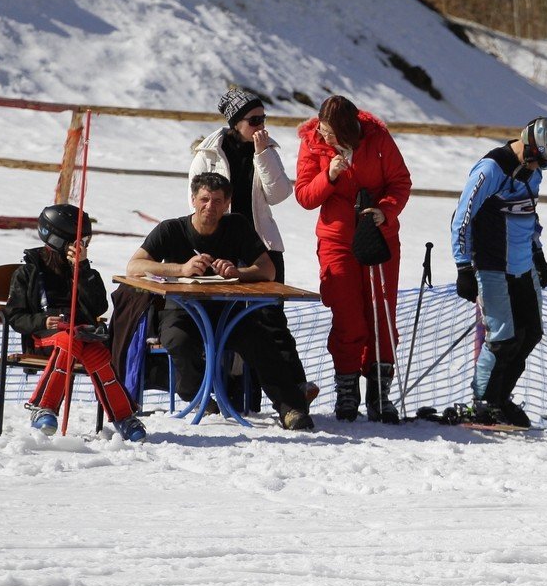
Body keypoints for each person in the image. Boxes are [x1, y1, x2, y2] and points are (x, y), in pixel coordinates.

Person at [126, 172, 313, 430]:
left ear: (227, 203)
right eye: (204, 199)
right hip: (183, 312)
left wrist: (239, 273)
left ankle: (290, 408)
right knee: (179, 341)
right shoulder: (171, 229)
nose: (209, 206)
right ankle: (195, 395)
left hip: (229, 311)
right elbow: (134, 266)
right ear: (192, 199)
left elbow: (267, 269)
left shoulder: (237, 226)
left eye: (217, 201)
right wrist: (181, 269)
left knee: (261, 341)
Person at [189, 86, 317, 408]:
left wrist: (263, 155)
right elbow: (197, 205)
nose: (261, 126)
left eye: (264, 118)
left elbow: (278, 195)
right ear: (235, 122)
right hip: (224, 247)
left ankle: (295, 388)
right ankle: (239, 394)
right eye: (253, 120)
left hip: (263, 246)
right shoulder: (207, 155)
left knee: (271, 318)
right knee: (228, 320)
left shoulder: (267, 149)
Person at [294, 95, 412, 423]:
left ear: (350, 130)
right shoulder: (313, 144)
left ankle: (379, 390)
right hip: (337, 240)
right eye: (323, 130)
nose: (325, 137)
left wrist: (384, 211)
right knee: (347, 316)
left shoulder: (377, 139)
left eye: (332, 133)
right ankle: (347, 389)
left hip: (378, 238)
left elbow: (400, 182)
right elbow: (304, 196)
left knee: (381, 312)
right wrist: (328, 176)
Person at [451, 116, 547, 427]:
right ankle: (482, 402)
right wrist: (463, 266)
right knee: (503, 338)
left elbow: (530, 215)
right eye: (540, 163)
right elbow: (461, 217)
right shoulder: (492, 169)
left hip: (523, 264)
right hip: (491, 265)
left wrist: (539, 254)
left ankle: (501, 398)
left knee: (530, 334)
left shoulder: (532, 174)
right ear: (530, 148)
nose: (539, 171)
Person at [3, 204, 146, 441]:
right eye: (75, 242)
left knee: (98, 354)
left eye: (84, 242)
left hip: (80, 335)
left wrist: (82, 268)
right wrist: (43, 320)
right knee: (68, 342)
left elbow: (99, 306)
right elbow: (15, 316)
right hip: (44, 338)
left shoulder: (82, 270)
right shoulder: (28, 272)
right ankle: (43, 407)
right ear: (57, 239)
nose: (81, 247)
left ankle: (124, 417)